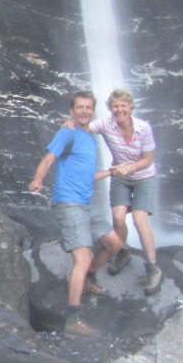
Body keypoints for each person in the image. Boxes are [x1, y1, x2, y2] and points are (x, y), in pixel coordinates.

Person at [29, 91, 125, 339]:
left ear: (93, 111)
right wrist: (38, 179)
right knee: (82, 258)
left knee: (114, 244)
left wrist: (111, 172)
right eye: (79, 107)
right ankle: (73, 319)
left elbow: (87, 175)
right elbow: (48, 159)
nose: (84, 111)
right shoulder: (67, 133)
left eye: (88, 107)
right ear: (71, 111)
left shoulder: (90, 138)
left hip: (85, 204)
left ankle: (89, 279)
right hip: (68, 203)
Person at [87, 88, 162, 296]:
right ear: (110, 109)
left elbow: (148, 159)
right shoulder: (106, 124)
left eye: (123, 106)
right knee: (118, 218)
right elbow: (84, 128)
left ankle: (153, 267)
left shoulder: (143, 128)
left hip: (143, 177)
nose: (119, 110)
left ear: (131, 107)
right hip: (120, 177)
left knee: (139, 219)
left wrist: (129, 168)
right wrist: (69, 126)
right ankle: (123, 251)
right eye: (115, 106)